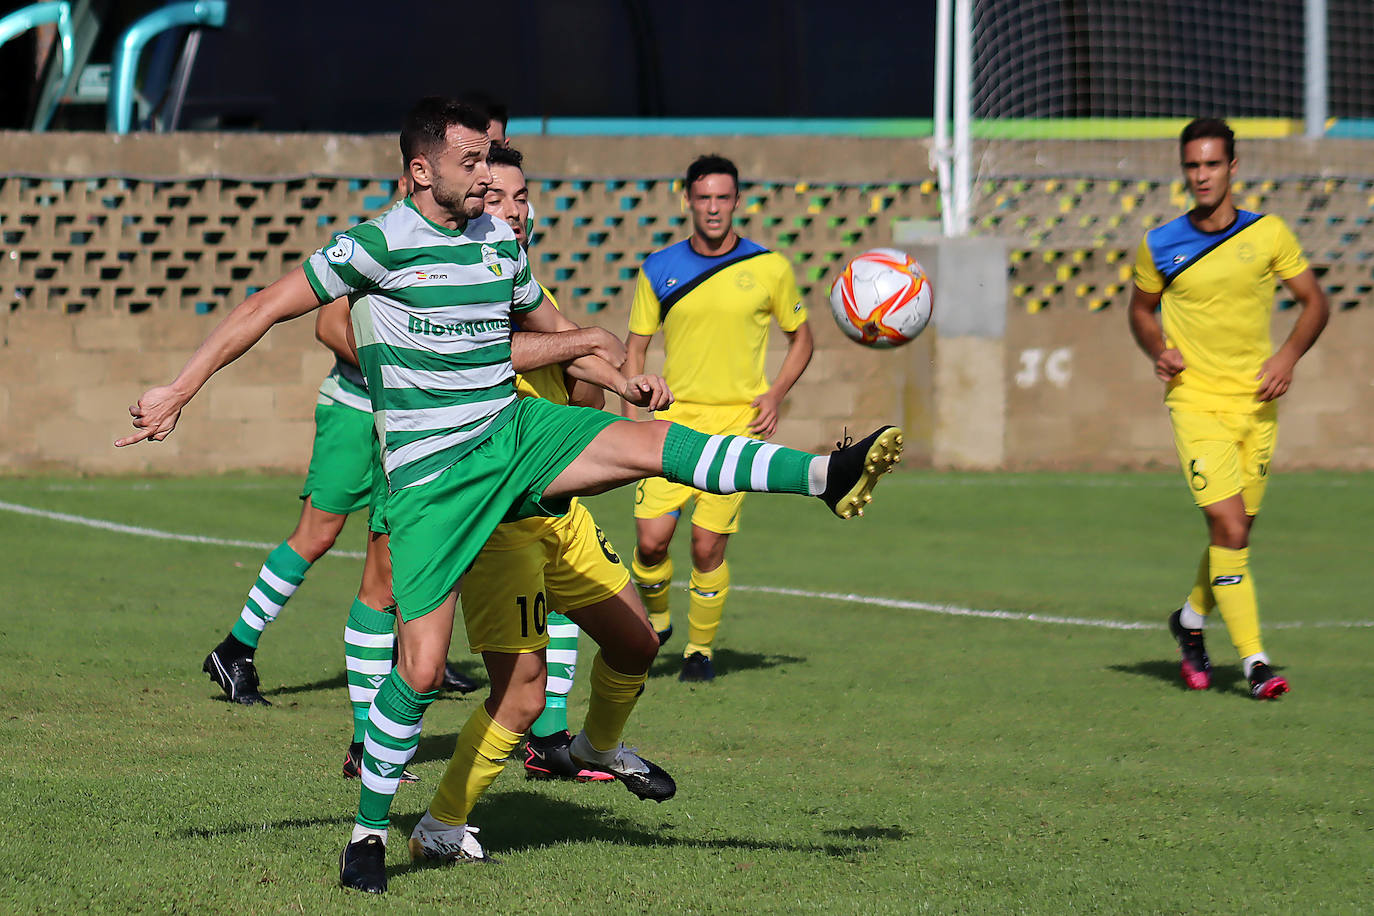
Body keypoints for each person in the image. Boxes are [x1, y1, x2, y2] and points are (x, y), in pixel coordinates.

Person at [116, 97, 902, 894]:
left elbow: (545, 328)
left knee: (653, 449)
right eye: (470, 163)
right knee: (420, 671)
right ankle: (366, 834)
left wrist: (620, 375)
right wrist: (180, 389)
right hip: (430, 479)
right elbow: (263, 308)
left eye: (488, 162)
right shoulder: (376, 244)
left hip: (512, 429)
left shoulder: (497, 242)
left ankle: (822, 475)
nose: (486, 177)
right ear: (421, 170)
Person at [1128, 117, 1328, 701]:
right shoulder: (1160, 243)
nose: (1202, 175)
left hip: (1256, 407)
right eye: (1192, 165)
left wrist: (1288, 356)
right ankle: (1256, 663)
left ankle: (1190, 621)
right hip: (1196, 404)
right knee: (1229, 525)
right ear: (1183, 170)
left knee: (1237, 536)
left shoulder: (1268, 235)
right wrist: (1158, 350)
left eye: (1212, 164)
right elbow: (1141, 312)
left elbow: (1314, 302)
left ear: (1232, 168)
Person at [622, 154, 814, 682]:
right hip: (671, 423)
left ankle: (700, 651)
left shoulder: (770, 268)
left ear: (737, 201)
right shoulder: (658, 268)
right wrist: (631, 416)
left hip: (736, 428)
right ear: (687, 199)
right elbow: (634, 349)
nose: (712, 207)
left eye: (722, 197)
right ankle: (657, 616)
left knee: (707, 546)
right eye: (703, 197)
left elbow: (803, 340)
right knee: (650, 542)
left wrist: (774, 395)